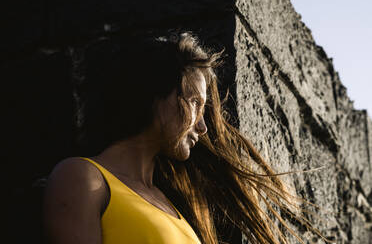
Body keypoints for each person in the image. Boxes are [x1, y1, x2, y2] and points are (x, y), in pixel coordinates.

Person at [43, 31, 325, 244]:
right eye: (194, 103)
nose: (202, 127)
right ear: (155, 96)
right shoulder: (83, 178)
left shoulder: (174, 208)